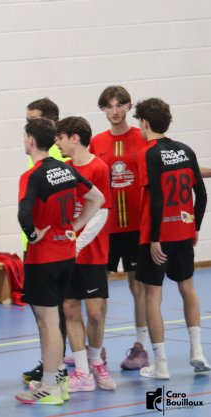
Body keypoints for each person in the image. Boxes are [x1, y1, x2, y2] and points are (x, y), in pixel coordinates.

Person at [15, 118, 104, 405]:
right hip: (66, 254)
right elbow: (97, 198)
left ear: (31, 141)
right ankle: (54, 381)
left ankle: (51, 385)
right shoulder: (66, 169)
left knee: (48, 323)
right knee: (52, 321)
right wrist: (74, 226)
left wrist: (32, 235)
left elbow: (24, 214)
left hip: (43, 258)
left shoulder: (32, 176)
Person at [133, 98, 209, 379]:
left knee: (152, 297)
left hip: (158, 236)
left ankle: (161, 365)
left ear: (144, 123)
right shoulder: (186, 150)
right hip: (184, 233)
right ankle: (198, 351)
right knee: (188, 288)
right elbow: (202, 194)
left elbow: (157, 197)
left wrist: (154, 238)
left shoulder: (148, 154)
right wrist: (194, 226)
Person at [90, 86, 150, 370]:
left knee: (138, 287)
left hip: (137, 227)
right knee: (99, 291)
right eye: (109, 106)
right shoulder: (96, 142)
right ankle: (96, 351)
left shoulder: (142, 137)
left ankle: (140, 347)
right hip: (106, 228)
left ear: (128, 107)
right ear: (103, 109)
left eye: (119, 105)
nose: (114, 111)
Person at [55, 117, 116, 392]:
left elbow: (102, 212)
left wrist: (78, 244)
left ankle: (96, 362)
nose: (57, 143)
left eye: (60, 138)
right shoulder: (63, 170)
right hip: (67, 253)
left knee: (95, 312)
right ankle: (82, 372)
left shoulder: (99, 168)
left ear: (75, 138)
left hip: (92, 252)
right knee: (69, 307)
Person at [21, 98, 69, 385]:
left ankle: (56, 370)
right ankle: (51, 365)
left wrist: (72, 230)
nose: (27, 126)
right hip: (38, 246)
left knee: (54, 315)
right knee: (46, 315)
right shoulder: (38, 156)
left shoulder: (59, 155)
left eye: (32, 120)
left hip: (52, 248)